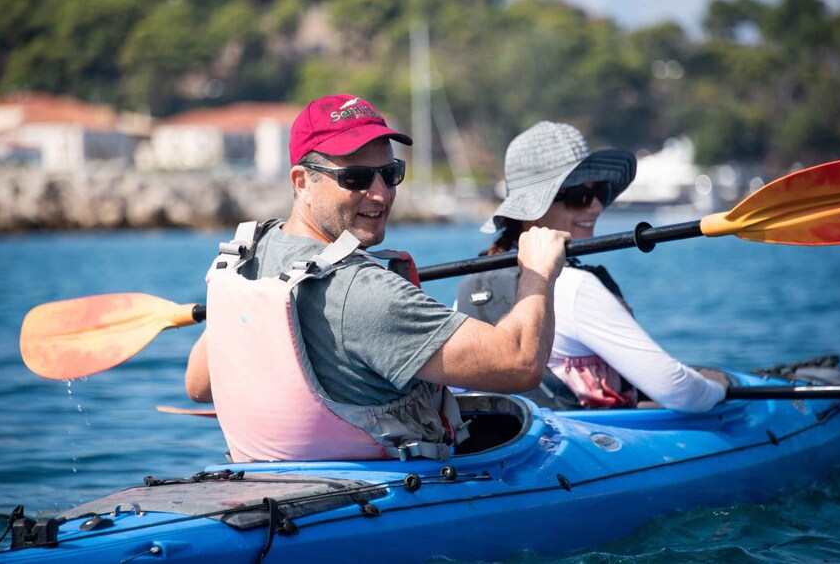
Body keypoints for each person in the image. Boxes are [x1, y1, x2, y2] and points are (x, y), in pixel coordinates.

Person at [184, 94, 570, 462]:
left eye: (390, 173)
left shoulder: (244, 260)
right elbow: (520, 364)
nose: (381, 194)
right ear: (302, 182)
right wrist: (538, 272)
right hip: (383, 496)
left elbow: (200, 385)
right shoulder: (366, 292)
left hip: (269, 479)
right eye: (355, 178)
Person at [456, 121, 728, 412]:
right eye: (580, 198)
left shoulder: (470, 285)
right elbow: (680, 392)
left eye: (602, 193)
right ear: (532, 210)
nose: (596, 207)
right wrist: (718, 385)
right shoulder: (574, 287)